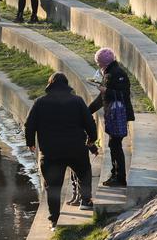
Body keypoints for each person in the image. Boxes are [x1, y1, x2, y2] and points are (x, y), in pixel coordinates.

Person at [25, 72, 98, 220]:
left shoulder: (40, 103)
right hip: (75, 148)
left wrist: (30, 143)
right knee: (84, 172)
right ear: (66, 85)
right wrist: (92, 139)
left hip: (50, 152)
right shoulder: (77, 101)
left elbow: (29, 125)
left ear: (50, 85)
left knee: (53, 186)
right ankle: (85, 200)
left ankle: (54, 217)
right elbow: (89, 122)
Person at [88, 48, 136, 188]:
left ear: (102, 63)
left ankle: (120, 177)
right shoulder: (111, 72)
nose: (98, 66)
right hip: (115, 113)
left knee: (115, 145)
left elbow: (123, 94)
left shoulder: (115, 74)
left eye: (98, 63)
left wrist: (106, 90)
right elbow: (103, 97)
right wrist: (88, 110)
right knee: (113, 144)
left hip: (118, 114)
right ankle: (115, 174)